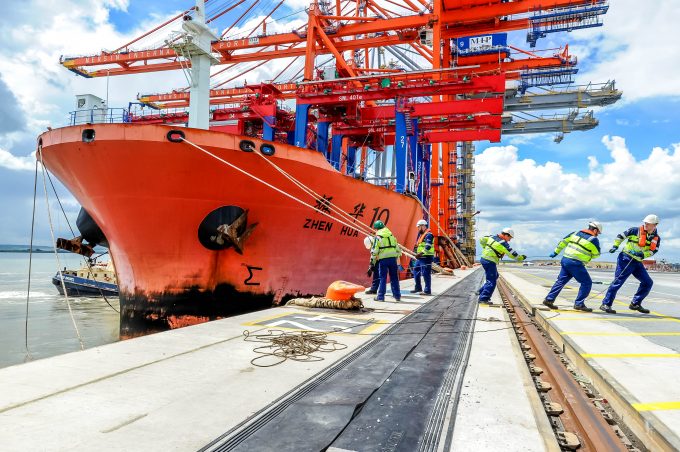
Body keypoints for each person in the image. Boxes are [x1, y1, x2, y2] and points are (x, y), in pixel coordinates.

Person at [600, 215, 661, 314]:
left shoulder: (656, 238)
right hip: (626, 258)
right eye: (645, 223)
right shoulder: (634, 230)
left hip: (637, 261)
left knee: (648, 282)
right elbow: (620, 236)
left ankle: (635, 303)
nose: (645, 225)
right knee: (618, 282)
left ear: (655, 225)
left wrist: (642, 254)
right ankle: (606, 304)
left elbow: (653, 251)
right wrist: (615, 245)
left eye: (648, 224)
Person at [542, 221, 603, 312]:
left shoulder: (575, 233)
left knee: (561, 281)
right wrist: (589, 256)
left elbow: (563, 242)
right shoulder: (593, 239)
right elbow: (597, 254)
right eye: (598, 232)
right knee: (587, 283)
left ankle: (549, 300)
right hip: (576, 263)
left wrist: (556, 252)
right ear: (595, 230)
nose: (598, 234)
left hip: (565, 260)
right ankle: (579, 304)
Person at [478, 228, 526, 304]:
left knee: (495, 276)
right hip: (490, 261)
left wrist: (485, 247)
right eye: (509, 238)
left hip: (484, 258)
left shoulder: (491, 237)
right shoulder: (503, 243)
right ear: (506, 235)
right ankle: (484, 298)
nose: (509, 240)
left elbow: (482, 239)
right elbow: (513, 255)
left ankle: (480, 291)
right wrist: (522, 257)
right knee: (492, 280)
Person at [370, 220, 402, 302]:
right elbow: (397, 248)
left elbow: (374, 251)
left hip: (383, 260)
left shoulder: (378, 237)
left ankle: (380, 297)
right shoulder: (391, 235)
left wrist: (372, 263)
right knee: (394, 277)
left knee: (383, 278)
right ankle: (397, 296)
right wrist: (397, 258)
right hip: (393, 259)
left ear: (377, 229)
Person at [410, 219, 435, 295]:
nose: (418, 229)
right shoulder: (422, 235)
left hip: (426, 257)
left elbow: (428, 246)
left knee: (425, 273)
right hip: (420, 257)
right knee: (416, 271)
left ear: (423, 226)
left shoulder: (429, 235)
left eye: (419, 227)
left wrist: (420, 253)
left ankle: (427, 291)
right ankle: (418, 288)